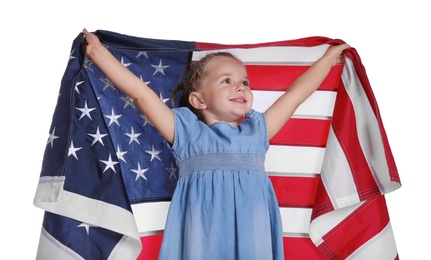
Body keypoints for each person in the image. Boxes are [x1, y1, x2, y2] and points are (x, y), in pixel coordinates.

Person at [82, 28, 349, 260]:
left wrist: (326, 61)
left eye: (245, 82)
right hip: (203, 234)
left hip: (251, 234)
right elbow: (141, 94)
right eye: (227, 81)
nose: (241, 87)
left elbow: (295, 96)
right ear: (199, 101)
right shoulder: (184, 131)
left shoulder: (258, 131)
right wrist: (97, 52)